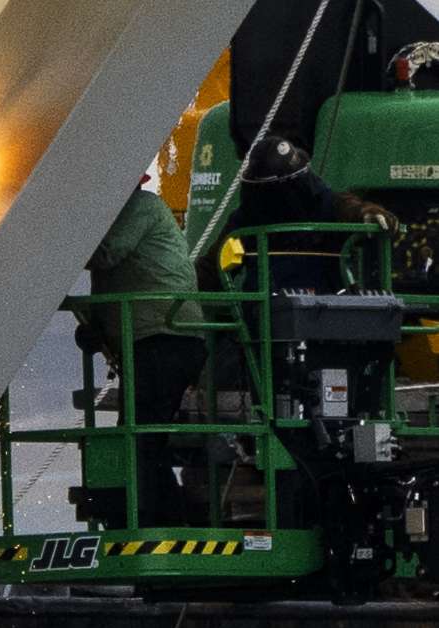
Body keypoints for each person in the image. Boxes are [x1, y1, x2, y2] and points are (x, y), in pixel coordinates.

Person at [84, 182, 207, 526]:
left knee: (141, 439)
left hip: (165, 335)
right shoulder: (123, 211)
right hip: (156, 337)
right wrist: (97, 323)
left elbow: (106, 253)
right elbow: (115, 276)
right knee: (140, 436)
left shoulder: (140, 205)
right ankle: (150, 520)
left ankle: (157, 523)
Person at [196, 135, 398, 293]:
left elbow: (353, 209)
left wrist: (370, 214)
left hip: (331, 318)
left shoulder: (330, 205)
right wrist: (180, 282)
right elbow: (214, 270)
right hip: (267, 321)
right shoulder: (246, 221)